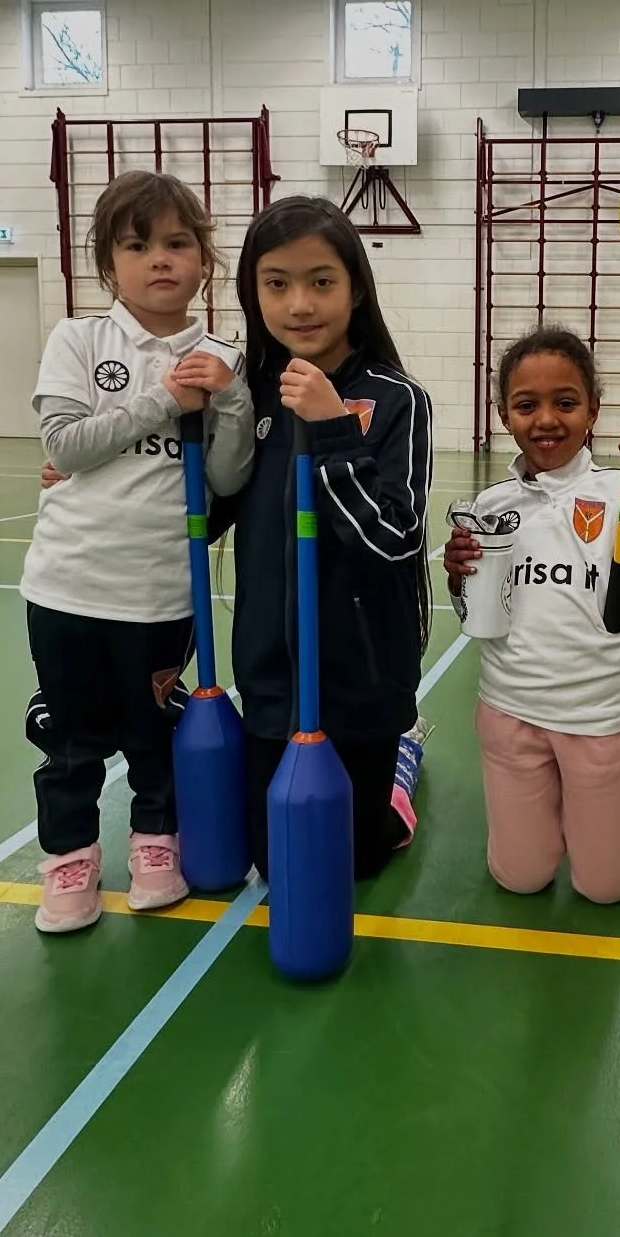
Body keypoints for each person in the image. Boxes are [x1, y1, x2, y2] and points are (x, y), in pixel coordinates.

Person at [21, 170, 253, 934]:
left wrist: (229, 397)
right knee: (71, 739)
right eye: (137, 245)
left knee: (154, 733)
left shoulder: (222, 354)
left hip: (160, 592)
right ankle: (70, 858)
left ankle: (157, 841)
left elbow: (227, 479)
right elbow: (65, 445)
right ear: (108, 263)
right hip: (67, 585)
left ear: (204, 260)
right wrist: (162, 400)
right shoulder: (79, 340)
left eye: (178, 243)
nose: (160, 258)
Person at [218, 196, 433, 883]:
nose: (300, 304)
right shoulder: (251, 394)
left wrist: (335, 428)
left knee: (354, 864)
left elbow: (395, 539)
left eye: (321, 281)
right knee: (271, 862)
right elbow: (212, 508)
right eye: (276, 283)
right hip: (271, 679)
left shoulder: (396, 399)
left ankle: (402, 763)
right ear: (253, 293)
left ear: (355, 289)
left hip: (361, 681)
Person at [443, 326, 620, 904]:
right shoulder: (491, 506)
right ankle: (559, 801)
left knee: (607, 886)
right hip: (510, 710)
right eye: (526, 405)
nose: (546, 420)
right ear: (504, 415)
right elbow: (478, 614)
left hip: (598, 714)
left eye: (566, 402)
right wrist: (459, 580)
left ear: (593, 411)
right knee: (520, 877)